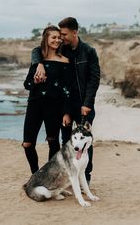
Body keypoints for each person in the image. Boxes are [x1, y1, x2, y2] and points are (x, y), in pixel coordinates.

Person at [31, 17, 100, 184]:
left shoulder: (89, 52)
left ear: (74, 33)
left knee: (84, 144)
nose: (61, 38)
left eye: (64, 34)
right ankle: (69, 178)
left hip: (84, 106)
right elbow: (37, 50)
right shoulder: (63, 49)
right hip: (66, 106)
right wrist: (38, 64)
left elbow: (94, 79)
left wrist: (87, 103)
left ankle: (86, 180)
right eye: (60, 34)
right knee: (66, 142)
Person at [22, 25, 71, 174]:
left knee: (53, 142)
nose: (57, 40)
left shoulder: (64, 61)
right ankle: (35, 174)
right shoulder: (37, 61)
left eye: (58, 37)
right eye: (53, 37)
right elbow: (27, 84)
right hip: (34, 105)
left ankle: (49, 177)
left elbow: (66, 90)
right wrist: (36, 80)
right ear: (46, 39)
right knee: (27, 144)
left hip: (54, 106)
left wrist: (66, 112)